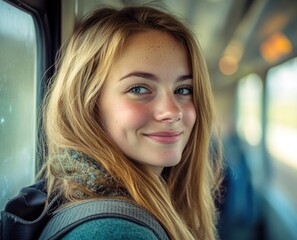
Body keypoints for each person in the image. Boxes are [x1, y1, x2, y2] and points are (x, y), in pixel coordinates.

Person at [40, 5, 222, 240]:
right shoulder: (115, 233)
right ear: (87, 103)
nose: (171, 111)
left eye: (183, 89)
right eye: (139, 88)